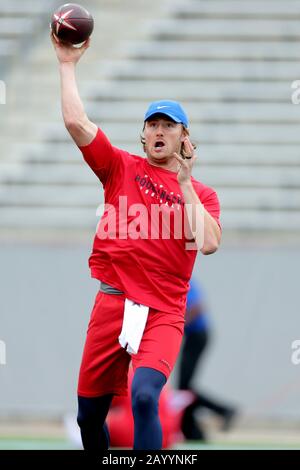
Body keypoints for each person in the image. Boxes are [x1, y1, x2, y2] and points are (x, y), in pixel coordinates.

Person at [51, 33, 222, 451]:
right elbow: (76, 123)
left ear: (185, 137)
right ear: (143, 136)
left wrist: (184, 184)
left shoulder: (201, 193)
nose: (159, 131)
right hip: (111, 302)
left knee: (146, 396)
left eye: (169, 125)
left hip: (163, 310)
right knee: (89, 416)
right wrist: (67, 64)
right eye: (153, 124)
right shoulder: (119, 168)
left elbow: (210, 243)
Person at [178, 278, 237, 441]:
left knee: (184, 388)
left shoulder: (186, 279)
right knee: (184, 387)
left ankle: (222, 411)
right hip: (193, 336)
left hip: (198, 336)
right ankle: (192, 429)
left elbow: (197, 307)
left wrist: (177, 325)